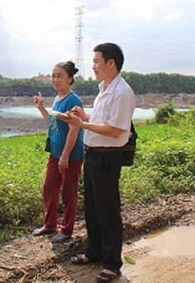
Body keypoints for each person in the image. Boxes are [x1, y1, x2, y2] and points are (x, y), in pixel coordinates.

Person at [58, 43, 135, 282]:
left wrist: (82, 125)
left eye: (96, 62)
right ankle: (95, 251)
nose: (93, 66)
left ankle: (112, 262)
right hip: (93, 154)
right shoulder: (105, 88)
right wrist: (85, 116)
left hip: (107, 157)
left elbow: (114, 130)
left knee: (108, 210)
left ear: (111, 63)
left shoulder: (122, 92)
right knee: (92, 207)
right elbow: (102, 121)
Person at [32, 61, 84, 243]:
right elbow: (53, 123)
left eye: (59, 76)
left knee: (69, 192)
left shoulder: (73, 100)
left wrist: (65, 156)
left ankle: (67, 229)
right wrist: (41, 108)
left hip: (70, 155)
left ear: (70, 79)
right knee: (49, 188)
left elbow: (74, 129)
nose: (55, 79)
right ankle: (50, 224)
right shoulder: (57, 99)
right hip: (55, 153)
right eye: (53, 76)